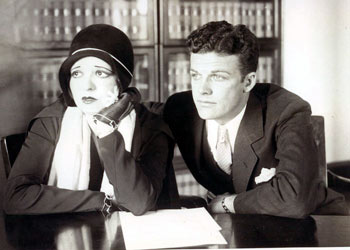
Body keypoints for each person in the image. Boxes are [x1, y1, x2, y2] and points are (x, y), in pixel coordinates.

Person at [163, 21, 348, 218]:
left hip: (317, 224)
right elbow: (141, 115)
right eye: (196, 75)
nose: (202, 90)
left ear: (248, 82)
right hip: (240, 228)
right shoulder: (180, 109)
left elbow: (294, 198)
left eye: (218, 77)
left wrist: (226, 204)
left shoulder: (287, 110)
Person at [4, 24, 179, 215]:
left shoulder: (150, 125)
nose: (86, 86)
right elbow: (16, 197)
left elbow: (137, 203)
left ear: (120, 81)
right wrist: (99, 201)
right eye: (77, 73)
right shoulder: (53, 120)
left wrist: (106, 130)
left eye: (100, 73)